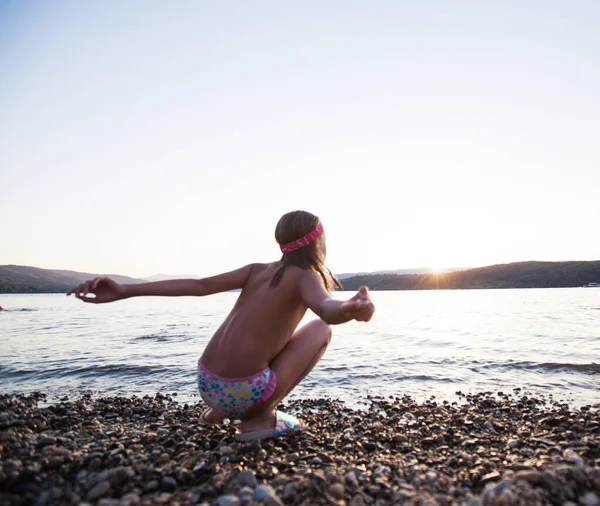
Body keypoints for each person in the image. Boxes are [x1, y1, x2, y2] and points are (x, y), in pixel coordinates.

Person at [68, 210, 375, 440]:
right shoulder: (307, 276)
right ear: (318, 240)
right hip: (243, 392)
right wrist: (349, 309)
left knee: (274, 339)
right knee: (321, 330)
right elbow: (326, 309)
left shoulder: (257, 270)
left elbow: (198, 285)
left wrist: (125, 290)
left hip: (207, 384)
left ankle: (221, 411)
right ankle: (259, 419)